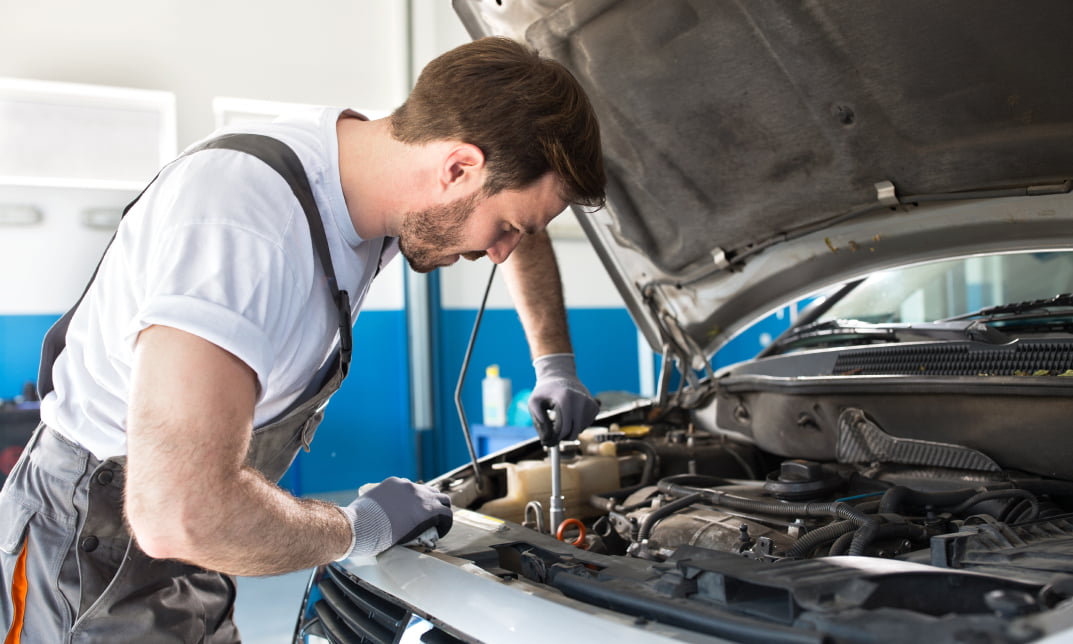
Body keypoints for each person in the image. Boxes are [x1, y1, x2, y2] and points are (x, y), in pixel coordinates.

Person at [0, 36, 605, 642]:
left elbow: (516, 209)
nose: (501, 253)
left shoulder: (388, 185)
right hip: (93, 548)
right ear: (457, 167)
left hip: (190, 530)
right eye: (504, 230)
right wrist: (357, 527)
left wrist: (553, 360)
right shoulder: (244, 225)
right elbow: (176, 515)